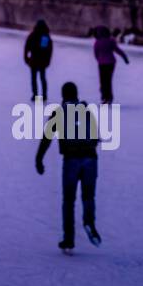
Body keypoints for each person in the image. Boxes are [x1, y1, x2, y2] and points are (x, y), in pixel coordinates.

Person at [35, 81, 102, 252]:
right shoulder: (87, 111)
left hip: (71, 160)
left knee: (69, 201)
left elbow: (46, 138)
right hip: (90, 160)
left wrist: (39, 159)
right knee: (88, 197)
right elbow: (95, 137)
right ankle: (89, 223)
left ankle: (69, 238)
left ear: (64, 95)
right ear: (77, 95)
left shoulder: (59, 113)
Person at [92, 25, 128, 104]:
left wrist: (99, 60)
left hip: (102, 64)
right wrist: (125, 58)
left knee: (103, 81)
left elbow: (96, 54)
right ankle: (108, 97)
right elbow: (118, 50)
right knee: (108, 80)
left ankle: (105, 97)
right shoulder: (111, 41)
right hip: (111, 63)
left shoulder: (97, 42)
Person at [23, 19, 54, 101]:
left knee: (34, 78)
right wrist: (48, 61)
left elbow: (27, 48)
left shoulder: (33, 35)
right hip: (41, 61)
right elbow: (48, 51)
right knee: (42, 78)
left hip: (34, 60)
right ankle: (44, 95)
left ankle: (35, 95)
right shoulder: (45, 36)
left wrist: (26, 58)